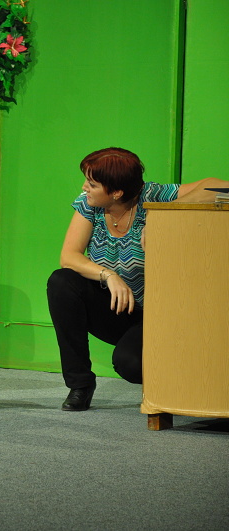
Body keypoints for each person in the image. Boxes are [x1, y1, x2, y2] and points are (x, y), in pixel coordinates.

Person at [46, 147, 229, 411]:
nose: (85, 187)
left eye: (92, 184)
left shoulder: (152, 196)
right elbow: (69, 256)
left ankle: (188, 383)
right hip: (118, 307)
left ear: (117, 192)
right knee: (62, 282)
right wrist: (109, 276)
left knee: (131, 365)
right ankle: (80, 384)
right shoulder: (90, 204)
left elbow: (221, 187)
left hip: (156, 316)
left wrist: (163, 216)